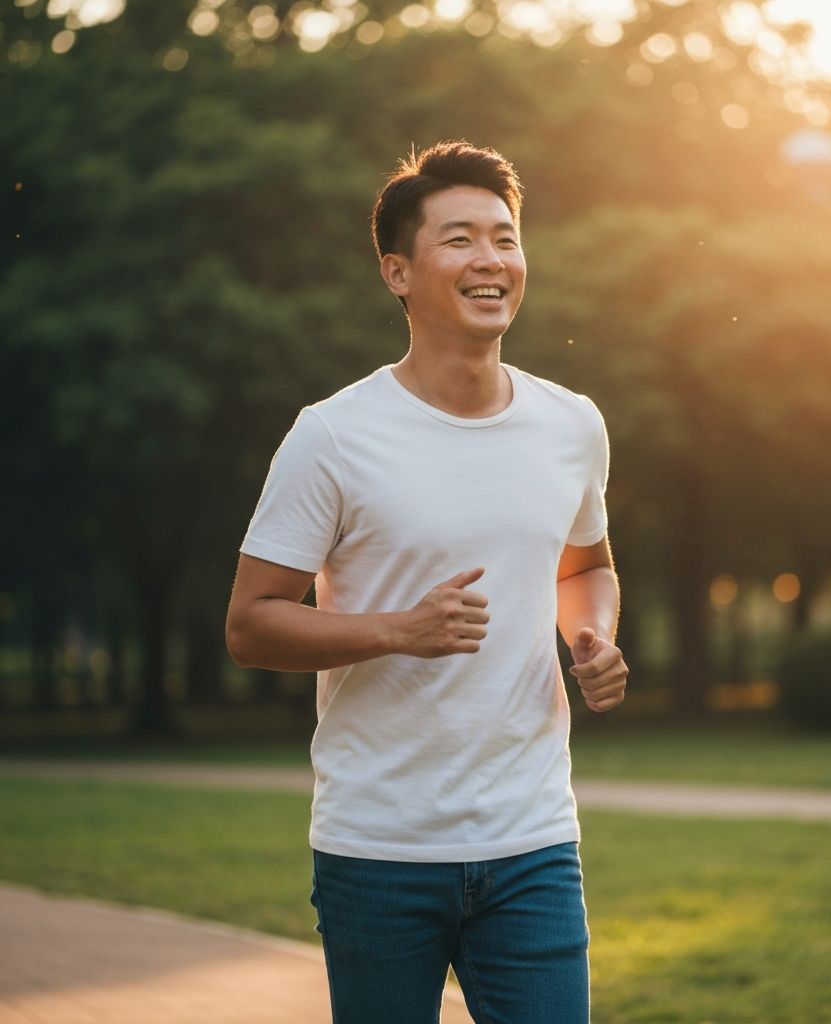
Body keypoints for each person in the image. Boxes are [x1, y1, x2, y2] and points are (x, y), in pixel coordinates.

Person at [225, 139, 628, 1024]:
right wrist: (396, 631)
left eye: (505, 237)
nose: (491, 259)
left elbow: (586, 565)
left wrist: (592, 636)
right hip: (380, 847)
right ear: (397, 272)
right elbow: (252, 624)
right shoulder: (334, 436)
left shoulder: (571, 425)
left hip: (532, 841)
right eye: (459, 239)